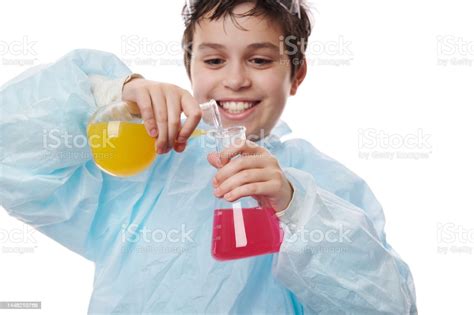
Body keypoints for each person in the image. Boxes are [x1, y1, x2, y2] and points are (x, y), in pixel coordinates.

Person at [0, 0, 417, 313]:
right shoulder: (148, 160)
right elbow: (10, 153)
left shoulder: (327, 187)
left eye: (259, 59)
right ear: (190, 67)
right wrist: (111, 96)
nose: (235, 80)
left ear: (297, 73)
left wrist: (297, 207)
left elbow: (387, 305)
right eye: (215, 60)